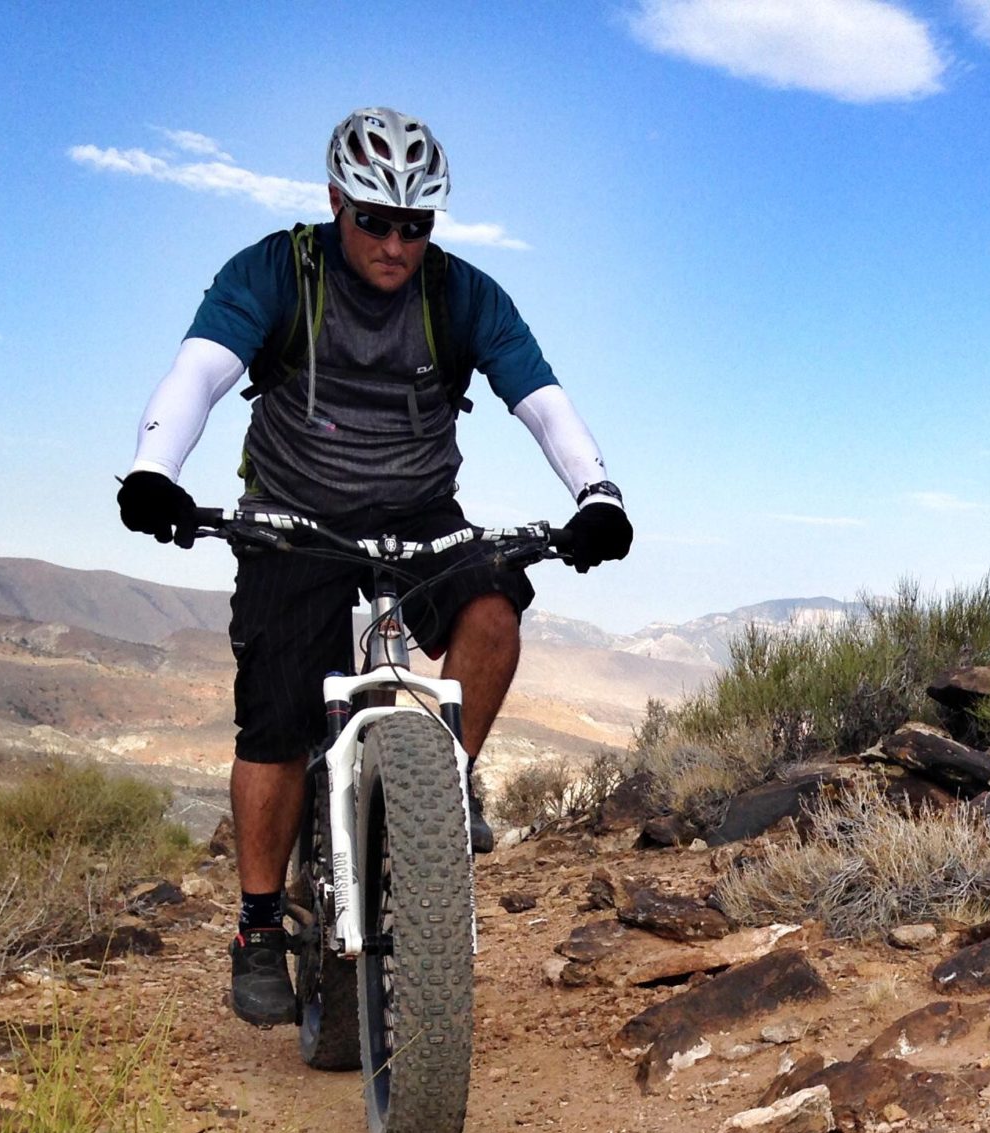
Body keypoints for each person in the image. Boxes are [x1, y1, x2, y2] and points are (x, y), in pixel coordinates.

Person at [116, 106, 630, 1026]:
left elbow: (542, 400)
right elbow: (199, 372)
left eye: (416, 225)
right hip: (292, 514)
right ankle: (262, 925)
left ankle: (436, 787)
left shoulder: (461, 295)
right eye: (376, 220)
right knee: (273, 715)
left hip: (417, 510)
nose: (396, 243)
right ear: (334, 202)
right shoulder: (277, 272)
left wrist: (597, 492)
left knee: (494, 615)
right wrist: (156, 471)